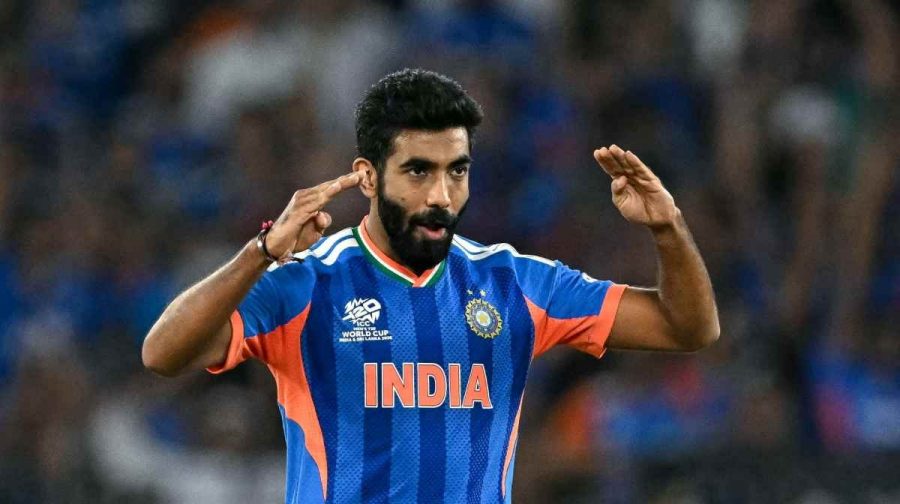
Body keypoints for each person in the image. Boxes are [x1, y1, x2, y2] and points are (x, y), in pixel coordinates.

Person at [142, 68, 720, 504]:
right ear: (368, 176)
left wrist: (666, 228)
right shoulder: (307, 285)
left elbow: (688, 328)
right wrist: (261, 253)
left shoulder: (513, 282)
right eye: (419, 170)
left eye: (457, 170)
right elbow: (162, 353)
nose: (441, 196)